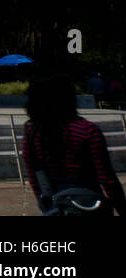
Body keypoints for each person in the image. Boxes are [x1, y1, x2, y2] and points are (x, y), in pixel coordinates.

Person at [21, 74, 125, 216]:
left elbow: (34, 177)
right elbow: (107, 178)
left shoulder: (32, 132)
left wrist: (47, 205)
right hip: (89, 204)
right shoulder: (88, 130)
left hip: (55, 206)